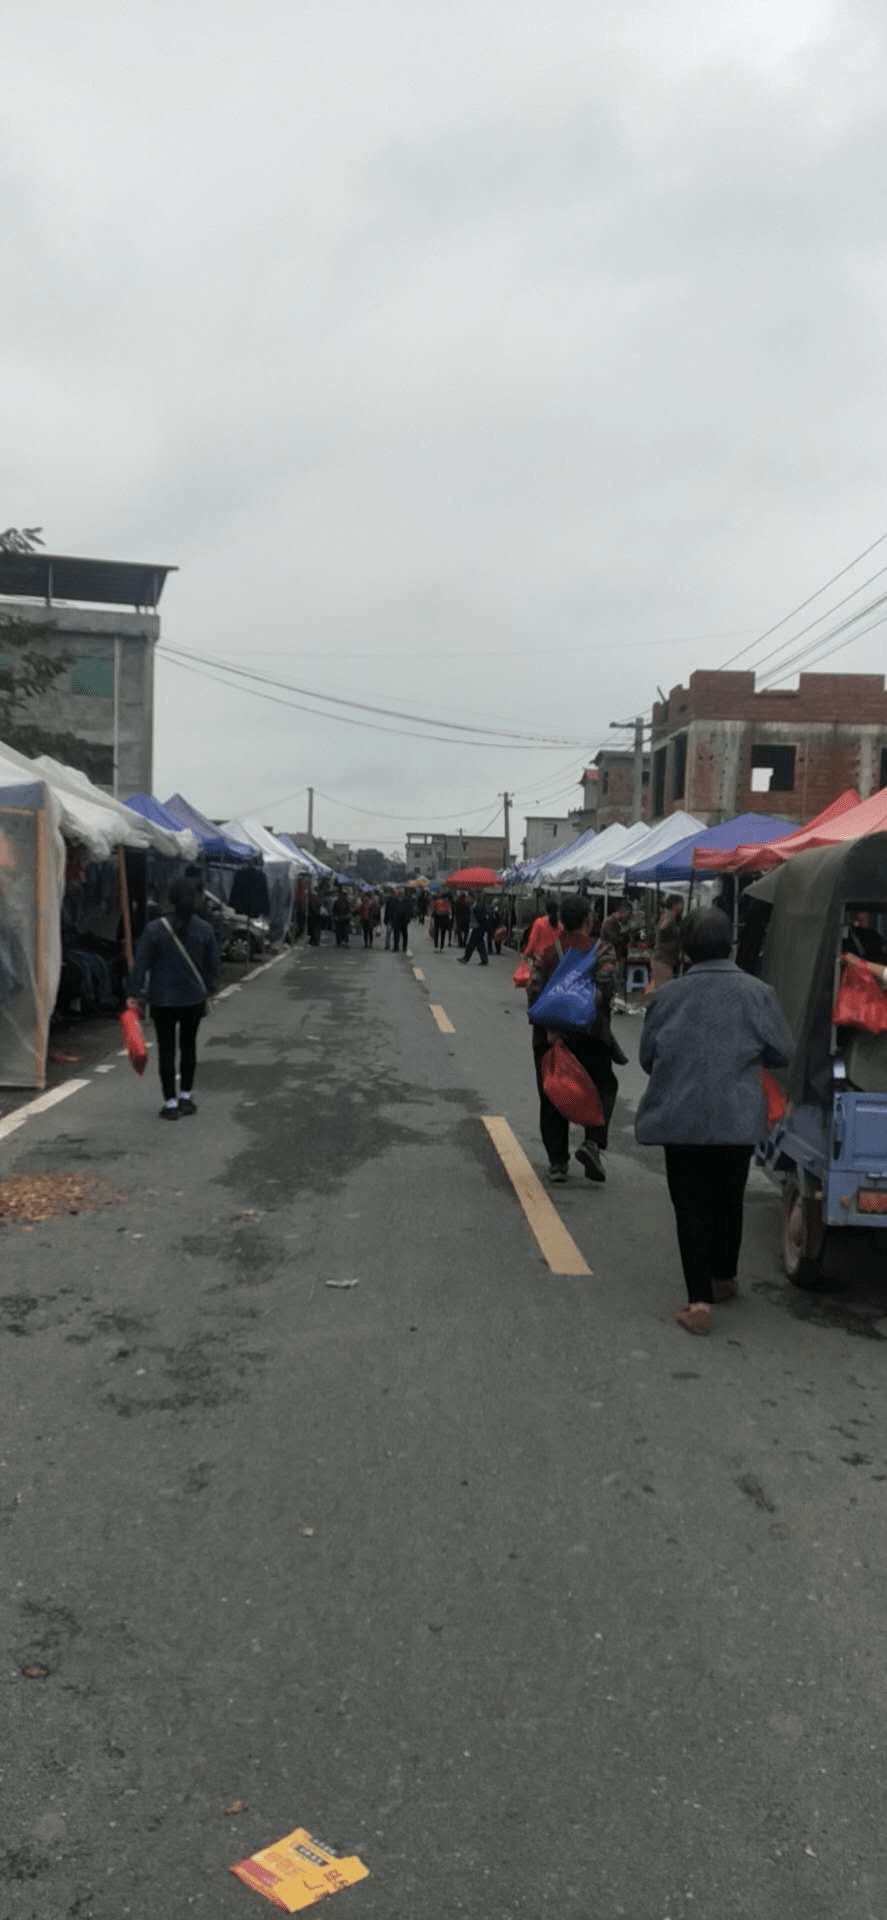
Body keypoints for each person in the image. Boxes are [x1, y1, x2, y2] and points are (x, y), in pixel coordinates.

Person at [636, 907, 792, 1336]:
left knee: (690, 1205)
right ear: (730, 944)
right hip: (736, 1115)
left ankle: (698, 1300)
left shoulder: (666, 997)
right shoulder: (758, 992)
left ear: (686, 948)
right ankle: (724, 1277)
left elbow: (648, 1057)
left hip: (680, 1113)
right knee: (729, 1196)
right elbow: (781, 1050)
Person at [528, 894, 620, 1184]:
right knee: (603, 1086)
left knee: (552, 1094)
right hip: (592, 1035)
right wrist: (581, 1008)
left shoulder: (548, 951)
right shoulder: (602, 951)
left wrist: (552, 1024)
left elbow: (533, 989)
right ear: (588, 920)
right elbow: (606, 988)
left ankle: (557, 1163)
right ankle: (592, 1142)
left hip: (550, 1036)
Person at [126, 876, 220, 1121]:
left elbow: (141, 965)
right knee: (188, 1047)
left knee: (166, 1050)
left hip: (162, 999)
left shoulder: (154, 930)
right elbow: (213, 965)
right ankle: (186, 1097)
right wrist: (210, 989)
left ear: (170, 899)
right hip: (193, 999)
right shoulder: (205, 929)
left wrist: (134, 993)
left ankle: (169, 1102)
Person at [649, 894, 684, 994]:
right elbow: (662, 928)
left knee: (664, 991)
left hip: (665, 961)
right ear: (674, 904)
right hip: (662, 961)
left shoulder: (671, 917)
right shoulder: (669, 915)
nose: (682, 907)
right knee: (663, 992)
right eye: (681, 904)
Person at [459, 895, 489, 965]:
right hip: (477, 927)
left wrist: (480, 927)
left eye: (468, 899)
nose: (466, 900)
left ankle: (466, 958)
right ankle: (484, 960)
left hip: (477, 928)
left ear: (472, 898)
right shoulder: (473, 906)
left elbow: (481, 918)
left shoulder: (476, 907)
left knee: (471, 944)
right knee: (480, 945)